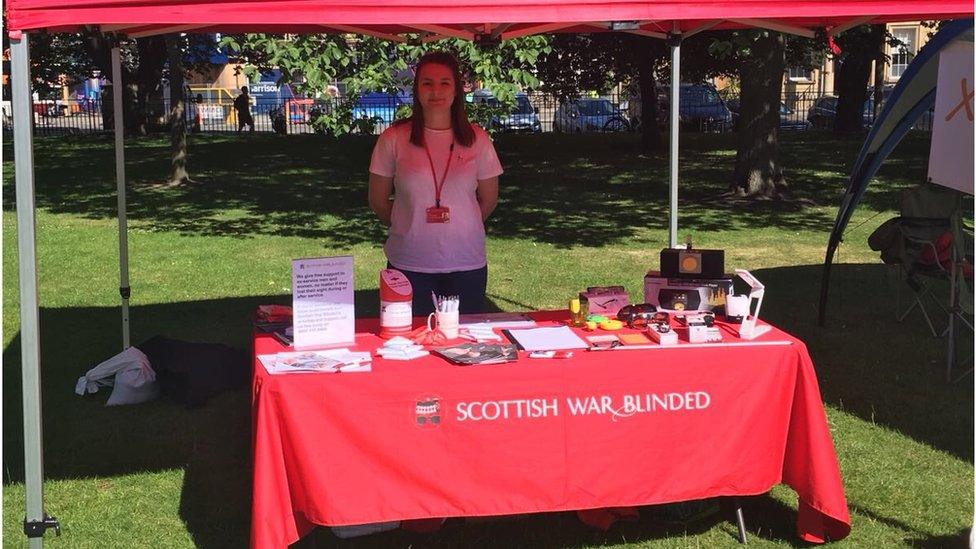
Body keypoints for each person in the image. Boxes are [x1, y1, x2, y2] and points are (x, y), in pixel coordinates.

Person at [368, 52, 502, 317]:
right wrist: (409, 225)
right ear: (417, 89)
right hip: (409, 263)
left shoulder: (478, 139)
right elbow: (378, 200)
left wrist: (461, 223)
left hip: (466, 263)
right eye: (427, 83)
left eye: (444, 83)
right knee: (407, 345)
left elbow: (488, 200)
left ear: (456, 91)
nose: (436, 91)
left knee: (466, 342)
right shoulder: (393, 138)